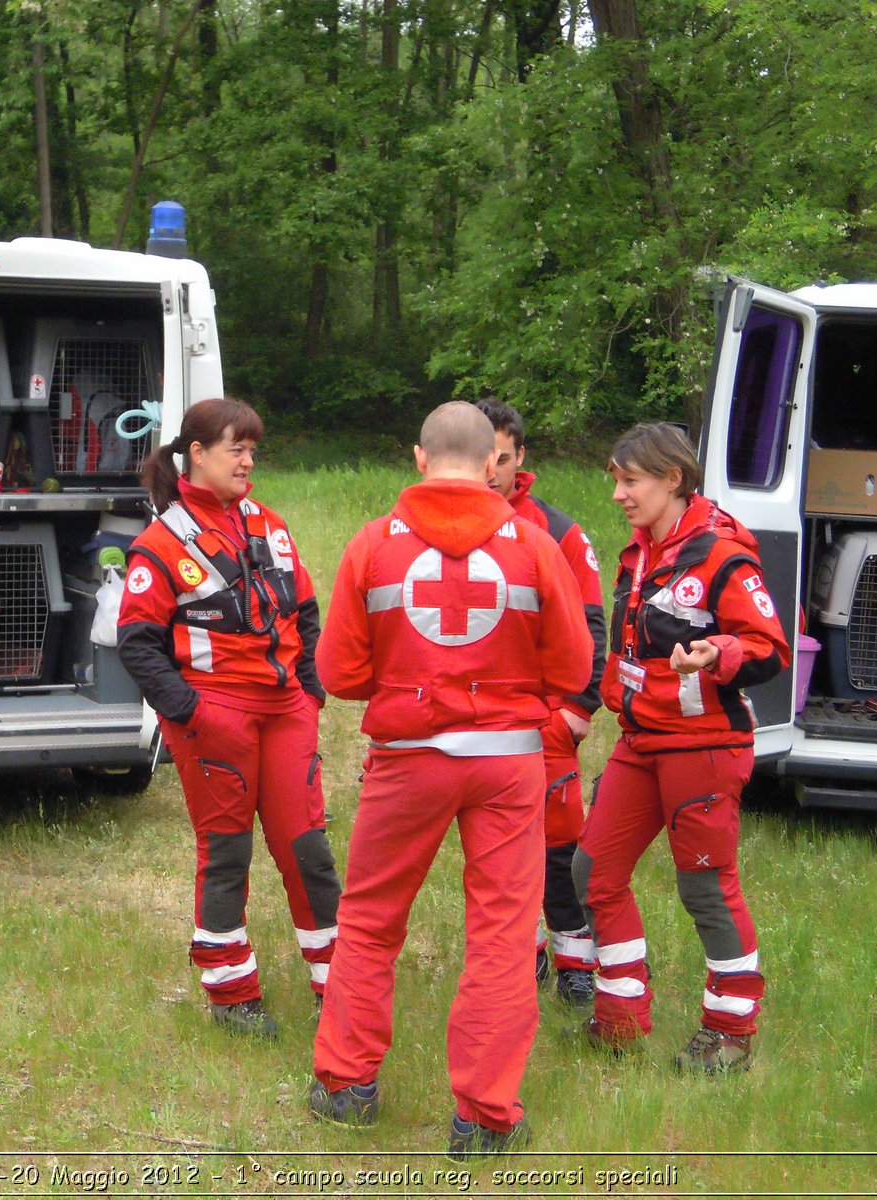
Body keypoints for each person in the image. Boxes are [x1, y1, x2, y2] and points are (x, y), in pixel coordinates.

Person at [307, 402, 592, 1157]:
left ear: (419, 458)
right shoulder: (535, 547)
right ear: (491, 462)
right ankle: (487, 1117)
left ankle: (345, 1085)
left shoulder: (372, 546)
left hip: (408, 759)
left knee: (368, 920)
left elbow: (338, 672)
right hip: (507, 760)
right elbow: (573, 670)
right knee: (502, 934)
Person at [116, 396, 341, 1039]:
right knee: (227, 853)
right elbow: (137, 642)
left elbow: (306, 611)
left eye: (252, 448)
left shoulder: (269, 523)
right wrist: (191, 713)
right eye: (235, 448)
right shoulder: (161, 542)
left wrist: (311, 691)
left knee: (309, 850)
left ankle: (338, 983)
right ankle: (232, 995)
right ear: (196, 454)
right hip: (216, 719)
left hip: (286, 711)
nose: (248, 460)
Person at [575, 422, 789, 1074]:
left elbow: (770, 649)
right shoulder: (637, 554)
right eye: (615, 479)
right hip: (641, 742)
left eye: (629, 480)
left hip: (702, 748)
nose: (618, 493)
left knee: (705, 889)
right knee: (593, 873)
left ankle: (730, 1033)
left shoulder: (723, 556)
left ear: (673, 479)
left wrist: (717, 653)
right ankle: (618, 1018)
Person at [478, 399, 606, 1006]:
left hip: (547, 722)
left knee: (558, 850)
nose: (491, 470)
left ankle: (576, 962)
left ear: (520, 457)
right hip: (480, 725)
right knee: (498, 855)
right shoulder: (442, 527)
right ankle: (520, 957)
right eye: (482, 457)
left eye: (503, 457)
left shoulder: (558, 533)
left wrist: (573, 718)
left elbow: (593, 632)